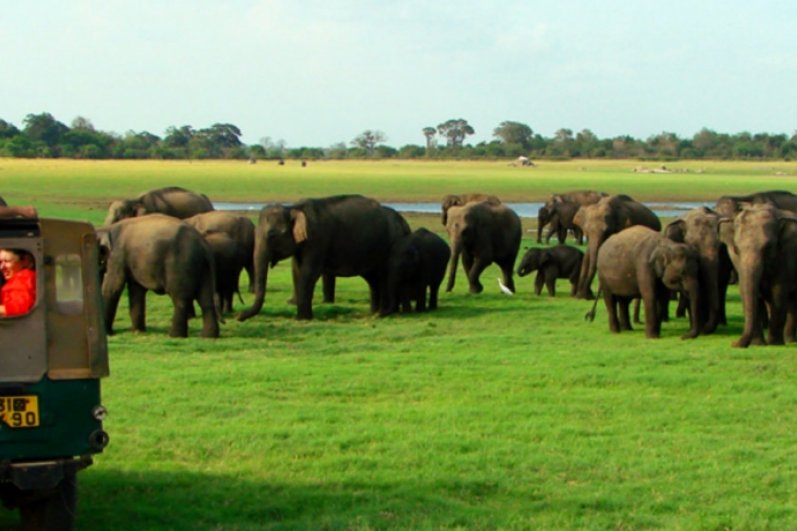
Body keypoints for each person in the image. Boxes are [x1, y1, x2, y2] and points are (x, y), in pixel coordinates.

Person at [0, 248, 36, 317]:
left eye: (7, 261)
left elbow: (21, 307)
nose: (1, 267)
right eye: (0, 262)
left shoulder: (24, 277)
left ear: (25, 261)